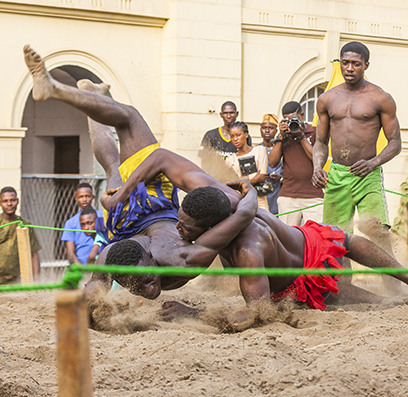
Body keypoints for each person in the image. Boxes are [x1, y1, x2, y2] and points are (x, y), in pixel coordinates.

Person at [23, 45, 258, 305]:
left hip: (125, 214)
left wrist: (119, 196)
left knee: (119, 149)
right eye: (140, 285)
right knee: (122, 139)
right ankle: (71, 91)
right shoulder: (147, 256)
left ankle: (77, 92)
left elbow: (244, 213)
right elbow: (93, 290)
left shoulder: (175, 254)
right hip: (131, 214)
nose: (149, 292)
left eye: (146, 282)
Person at [110, 147, 408, 322]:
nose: (179, 230)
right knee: (346, 247)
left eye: (186, 227)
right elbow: (164, 157)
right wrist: (123, 192)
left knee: (337, 281)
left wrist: (193, 313)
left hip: (296, 278)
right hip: (308, 241)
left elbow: (255, 314)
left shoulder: (246, 250)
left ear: (211, 227)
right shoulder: (223, 198)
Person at [312, 41, 401, 246]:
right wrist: (317, 167)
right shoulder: (327, 99)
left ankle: (392, 279)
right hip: (336, 175)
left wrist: (373, 163)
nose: (349, 68)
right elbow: (320, 142)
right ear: (340, 63)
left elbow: (395, 143)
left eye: (356, 64)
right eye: (345, 63)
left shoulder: (381, 98)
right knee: (334, 238)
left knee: (378, 231)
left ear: (366, 65)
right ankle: (343, 279)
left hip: (367, 174)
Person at [268, 101, 323, 225]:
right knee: (288, 238)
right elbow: (272, 163)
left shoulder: (314, 132)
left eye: (294, 119)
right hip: (288, 195)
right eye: (287, 120)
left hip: (314, 194)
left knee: (317, 235)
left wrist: (301, 137)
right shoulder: (283, 136)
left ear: (302, 116)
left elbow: (318, 159)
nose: (291, 123)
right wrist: (281, 136)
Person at [224, 121, 269, 210]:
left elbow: (262, 177)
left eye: (238, 135)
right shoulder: (230, 160)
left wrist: (242, 180)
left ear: (246, 135)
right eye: (232, 136)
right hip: (241, 203)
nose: (235, 139)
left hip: (260, 201)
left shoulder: (259, 151)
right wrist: (255, 179)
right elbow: (233, 185)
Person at [0, 186, 41, 283]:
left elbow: (34, 253)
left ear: (17, 201)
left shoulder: (25, 224)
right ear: (0, 203)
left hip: (17, 281)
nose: (9, 204)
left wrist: (36, 280)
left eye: (12, 200)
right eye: (5, 201)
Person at [199, 101, 252, 169]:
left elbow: (247, 159)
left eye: (231, 113)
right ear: (221, 114)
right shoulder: (210, 135)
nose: (229, 116)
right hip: (215, 177)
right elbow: (204, 161)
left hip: (236, 177)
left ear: (237, 114)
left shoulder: (244, 136)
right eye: (225, 113)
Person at [61, 183, 103, 265]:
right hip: (81, 268)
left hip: (102, 267)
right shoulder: (70, 223)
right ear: (76, 198)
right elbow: (70, 254)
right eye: (81, 196)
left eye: (87, 196)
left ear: (92, 197)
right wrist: (83, 272)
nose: (84, 199)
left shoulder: (103, 217)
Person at [259, 114, 283, 215]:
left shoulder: (282, 148)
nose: (267, 131)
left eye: (271, 128)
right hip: (262, 195)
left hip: (279, 195)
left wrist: (280, 178)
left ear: (276, 130)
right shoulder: (256, 149)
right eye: (264, 128)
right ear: (260, 129)